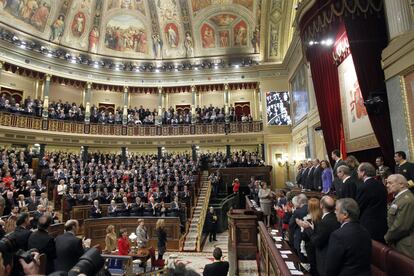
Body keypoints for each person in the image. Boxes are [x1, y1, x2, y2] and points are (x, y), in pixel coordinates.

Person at [326, 198, 371, 276]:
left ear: (345, 215)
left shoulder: (337, 235)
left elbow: (331, 267)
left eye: (336, 210)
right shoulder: (366, 231)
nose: (335, 212)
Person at [356, 162, 388, 242]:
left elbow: (358, 207)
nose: (357, 172)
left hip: (369, 226)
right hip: (383, 223)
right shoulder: (381, 184)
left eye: (358, 170)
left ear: (363, 172)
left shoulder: (363, 187)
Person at [384, 174, 414, 258]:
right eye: (387, 183)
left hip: (405, 246)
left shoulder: (407, 200)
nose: (387, 185)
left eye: (390, 183)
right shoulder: (399, 198)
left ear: (401, 184)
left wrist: (387, 238)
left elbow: (401, 227)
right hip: (398, 242)